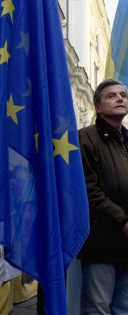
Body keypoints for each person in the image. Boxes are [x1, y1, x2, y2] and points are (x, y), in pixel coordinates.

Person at [78, 79, 128, 315]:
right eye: (111, 96)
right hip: (102, 242)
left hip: (127, 245)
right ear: (97, 107)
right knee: (97, 308)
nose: (120, 98)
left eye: (123, 95)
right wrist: (123, 220)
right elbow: (88, 190)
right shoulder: (85, 138)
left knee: (123, 308)